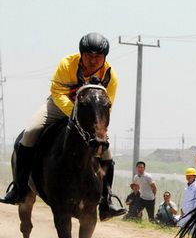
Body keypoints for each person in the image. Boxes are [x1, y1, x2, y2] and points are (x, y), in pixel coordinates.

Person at [0, 32, 126, 220]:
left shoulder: (110, 76)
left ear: (105, 57)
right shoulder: (67, 64)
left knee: (106, 152)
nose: (93, 60)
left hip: (87, 116)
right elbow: (57, 93)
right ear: (81, 54)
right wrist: (74, 114)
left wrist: (97, 126)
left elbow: (106, 106)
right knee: (30, 133)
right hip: (59, 106)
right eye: (89, 55)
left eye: (98, 56)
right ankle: (19, 189)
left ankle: (106, 201)